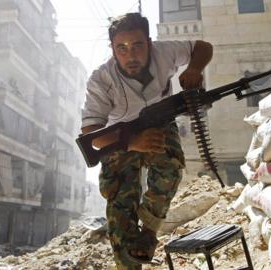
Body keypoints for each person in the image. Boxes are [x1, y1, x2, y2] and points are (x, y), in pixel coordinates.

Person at [81, 13, 213, 269]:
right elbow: (91, 133)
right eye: (122, 48)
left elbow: (203, 48)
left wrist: (194, 68)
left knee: (170, 167)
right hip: (119, 137)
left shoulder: (164, 53)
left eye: (137, 46)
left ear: (149, 43)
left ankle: (150, 231)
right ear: (113, 49)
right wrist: (131, 142)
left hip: (158, 122)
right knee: (121, 205)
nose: (130, 56)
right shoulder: (101, 79)